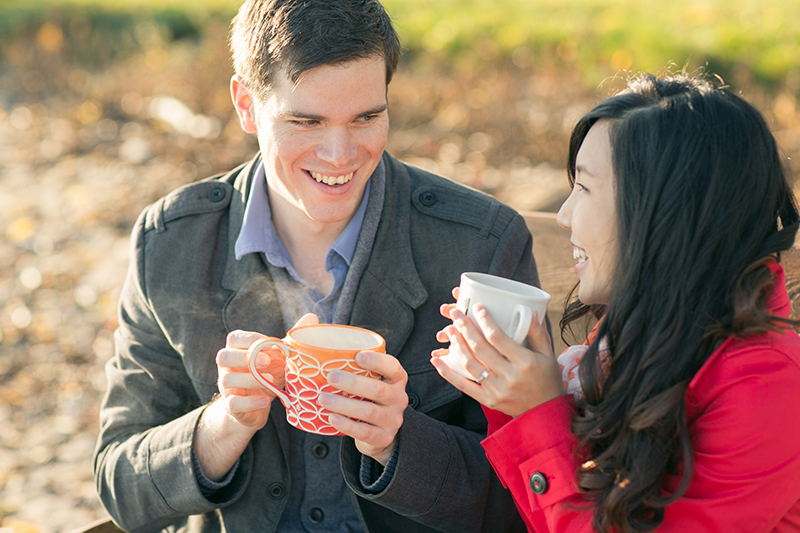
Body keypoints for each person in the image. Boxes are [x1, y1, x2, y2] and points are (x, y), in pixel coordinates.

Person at [93, 0, 539, 531]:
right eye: (305, 121)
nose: (339, 154)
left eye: (366, 118)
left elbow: (528, 497)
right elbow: (120, 485)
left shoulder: (482, 248)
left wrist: (397, 441)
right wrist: (222, 426)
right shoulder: (171, 243)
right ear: (246, 104)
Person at [432, 73, 800, 531]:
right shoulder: (634, 336)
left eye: (584, 188)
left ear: (664, 215)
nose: (564, 216)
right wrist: (512, 393)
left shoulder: (769, 384)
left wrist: (539, 414)